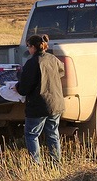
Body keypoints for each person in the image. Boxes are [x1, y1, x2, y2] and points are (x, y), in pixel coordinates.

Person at [15, 34, 65, 164]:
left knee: (31, 134)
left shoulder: (32, 62)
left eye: (28, 46)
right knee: (53, 134)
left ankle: (36, 165)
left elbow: (24, 88)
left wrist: (17, 87)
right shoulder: (53, 59)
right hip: (56, 104)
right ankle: (56, 164)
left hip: (39, 105)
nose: (28, 49)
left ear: (33, 47)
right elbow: (61, 71)